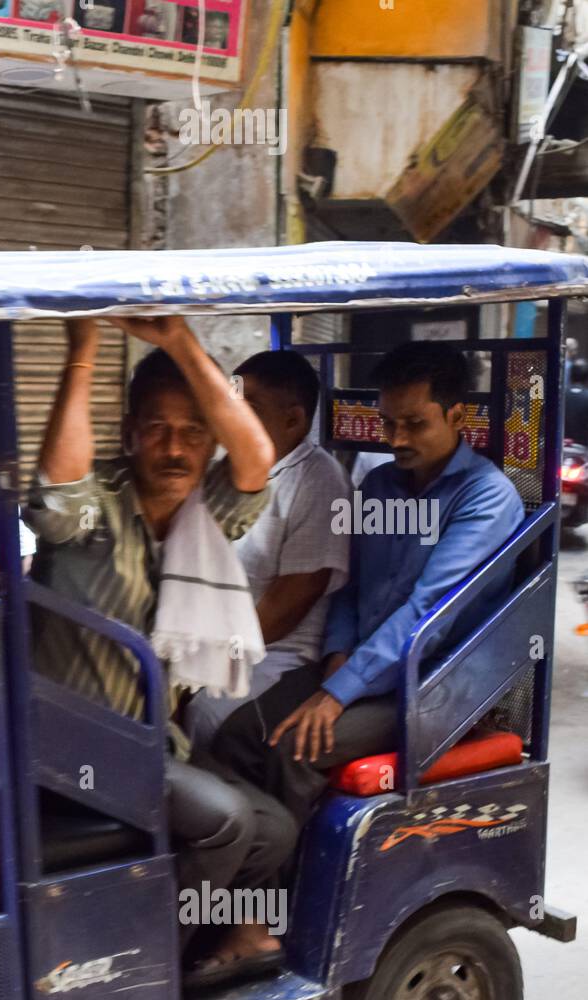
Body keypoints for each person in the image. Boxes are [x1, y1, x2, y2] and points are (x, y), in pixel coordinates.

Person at [213, 342, 526, 933]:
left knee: (293, 747)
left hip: (432, 688)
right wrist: (336, 665)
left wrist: (338, 693)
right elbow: (353, 591)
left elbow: (426, 614)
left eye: (415, 424)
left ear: (457, 417)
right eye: (388, 423)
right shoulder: (381, 486)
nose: (397, 438)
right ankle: (238, 906)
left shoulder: (486, 498)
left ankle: (282, 921)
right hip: (363, 671)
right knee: (236, 738)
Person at [25, 315, 297, 986]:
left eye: (192, 433)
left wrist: (180, 341)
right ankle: (138, 973)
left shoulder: (208, 515)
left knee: (279, 828)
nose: (174, 449)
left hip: (149, 748)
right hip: (71, 747)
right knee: (229, 821)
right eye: (156, 429)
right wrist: (84, 350)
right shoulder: (94, 508)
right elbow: (58, 486)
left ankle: (220, 936)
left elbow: (257, 457)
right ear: (129, 434)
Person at [185, 349, 350, 747]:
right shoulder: (224, 471)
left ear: (292, 420)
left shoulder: (319, 480)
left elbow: (291, 601)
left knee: (204, 714)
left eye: (248, 408)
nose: (230, 419)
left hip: (275, 654)